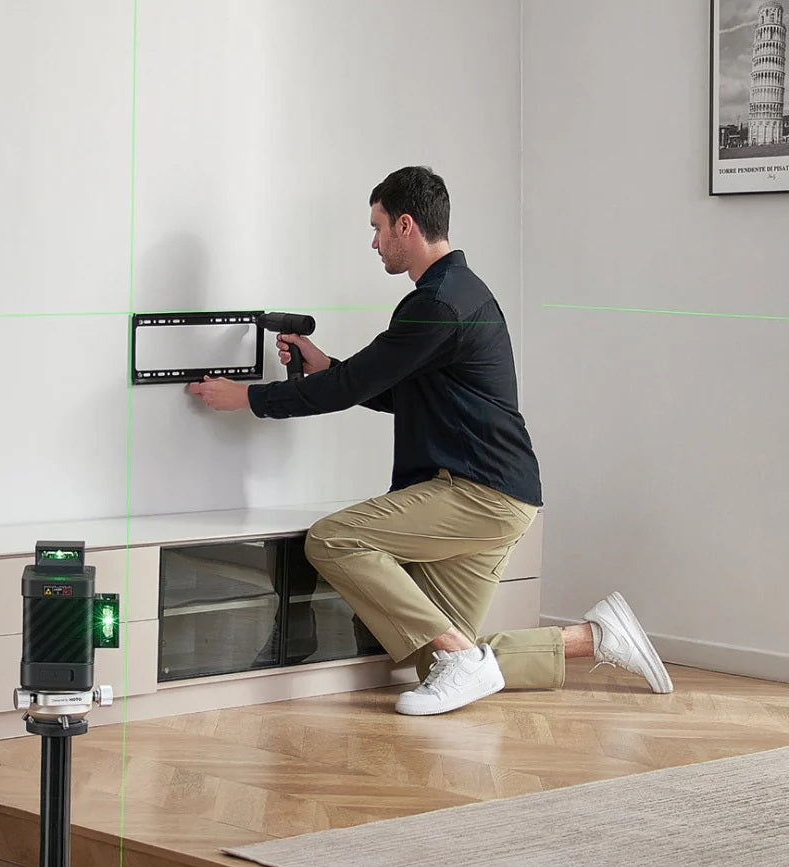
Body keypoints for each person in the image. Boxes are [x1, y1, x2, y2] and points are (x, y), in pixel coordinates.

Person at [188, 165, 673, 715]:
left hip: (476, 493)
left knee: (332, 540)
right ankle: (596, 638)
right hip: (503, 496)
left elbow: (354, 387)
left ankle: (467, 659)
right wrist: (325, 365)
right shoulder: (457, 294)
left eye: (377, 228)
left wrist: (248, 399)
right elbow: (400, 394)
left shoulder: (436, 306)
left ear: (406, 225)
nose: (373, 243)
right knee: (439, 659)